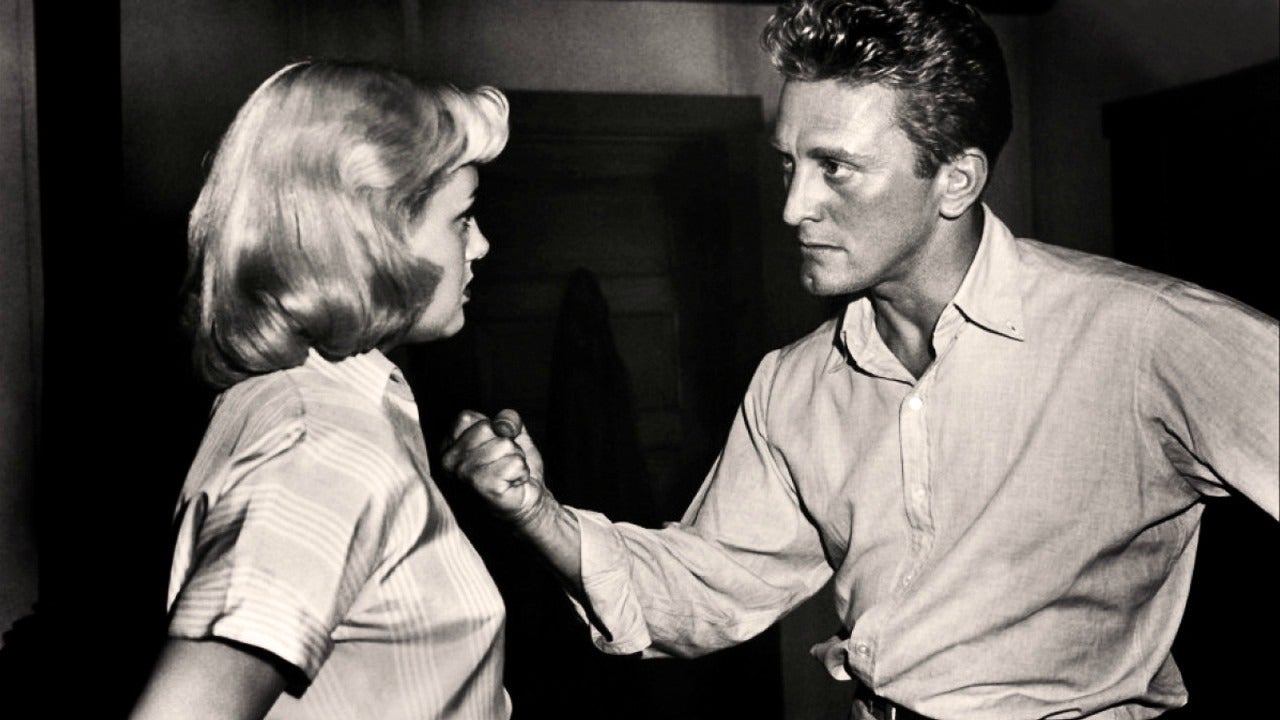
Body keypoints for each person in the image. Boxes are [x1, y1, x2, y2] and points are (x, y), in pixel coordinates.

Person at [440, 1, 1280, 719]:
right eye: (789, 163)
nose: (793, 206)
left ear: (955, 180)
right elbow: (706, 590)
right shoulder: (794, 384)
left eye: (835, 168)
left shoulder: (1145, 335)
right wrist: (538, 513)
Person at [130, 60, 511, 720]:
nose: (480, 244)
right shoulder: (322, 445)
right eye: (461, 218)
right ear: (372, 238)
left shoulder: (305, 400)